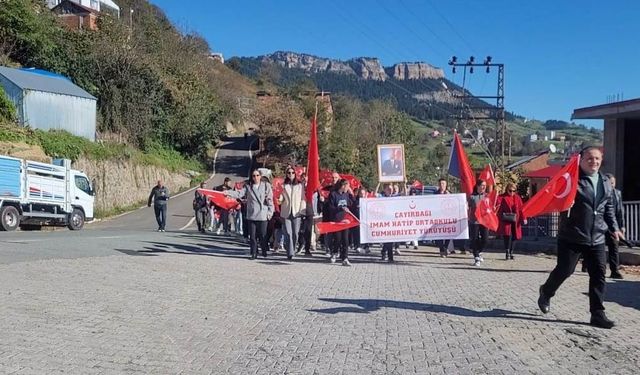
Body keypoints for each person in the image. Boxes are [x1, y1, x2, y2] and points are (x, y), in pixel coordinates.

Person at [538, 146, 623, 329]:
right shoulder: (571, 180)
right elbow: (557, 199)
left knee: (599, 274)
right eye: (590, 158)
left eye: (597, 158)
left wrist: (614, 228)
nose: (594, 162)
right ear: (581, 160)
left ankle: (597, 313)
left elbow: (607, 208)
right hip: (572, 236)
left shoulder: (606, 181)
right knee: (565, 271)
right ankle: (546, 291)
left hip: (597, 237)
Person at [225, 170, 274, 259]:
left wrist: (270, 212)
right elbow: (239, 193)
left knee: (263, 235)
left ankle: (263, 249)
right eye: (253, 175)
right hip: (252, 214)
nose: (255, 177)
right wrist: (228, 192)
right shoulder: (248, 186)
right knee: (252, 236)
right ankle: (254, 253)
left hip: (263, 214)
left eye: (257, 175)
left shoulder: (266, 186)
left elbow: (270, 199)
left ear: (260, 176)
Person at [280, 167, 306, 260]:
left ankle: (292, 249)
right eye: (289, 173)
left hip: (296, 212)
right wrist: (279, 200)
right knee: (288, 232)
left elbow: (303, 199)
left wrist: (302, 211)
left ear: (295, 174)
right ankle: (290, 252)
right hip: (286, 212)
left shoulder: (300, 185)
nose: (291, 174)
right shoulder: (283, 185)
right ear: (286, 174)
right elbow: (281, 197)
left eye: (292, 173)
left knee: (295, 233)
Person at [497, 182, 527, 260]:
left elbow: (521, 209)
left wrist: (524, 218)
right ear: (507, 189)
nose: (512, 192)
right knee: (507, 236)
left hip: (515, 220)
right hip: (506, 219)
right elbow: (497, 206)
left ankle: (511, 252)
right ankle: (507, 252)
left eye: (514, 191)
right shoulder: (502, 197)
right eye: (510, 190)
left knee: (515, 236)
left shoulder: (517, 198)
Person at [328, 179, 354, 266]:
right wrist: (340, 208)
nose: (348, 187)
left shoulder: (346, 195)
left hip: (345, 220)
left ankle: (345, 258)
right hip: (336, 220)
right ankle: (335, 253)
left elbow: (351, 204)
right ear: (342, 186)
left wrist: (351, 194)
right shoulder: (333, 194)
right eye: (347, 186)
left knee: (345, 240)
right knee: (337, 239)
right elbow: (330, 208)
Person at [605, 173, 624, 279]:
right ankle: (586, 264)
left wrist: (622, 226)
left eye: (613, 183)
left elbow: (620, 211)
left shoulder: (618, 193)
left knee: (614, 247)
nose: (612, 185)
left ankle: (614, 270)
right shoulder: (602, 192)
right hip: (602, 225)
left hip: (613, 225)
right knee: (594, 247)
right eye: (610, 183)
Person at [468, 180, 488, 266]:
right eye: (482, 185)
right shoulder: (472, 197)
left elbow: (490, 207)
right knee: (474, 239)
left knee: (485, 240)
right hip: (474, 221)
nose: (484, 187)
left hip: (484, 221)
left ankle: (479, 251)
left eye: (485, 185)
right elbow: (467, 207)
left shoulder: (487, 196)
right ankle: (476, 257)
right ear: (478, 186)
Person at [435, 178, 452, 257]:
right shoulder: (435, 194)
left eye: (443, 184)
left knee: (448, 234)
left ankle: (445, 247)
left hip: (447, 217)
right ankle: (441, 249)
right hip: (438, 218)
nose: (442, 185)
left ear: (446, 185)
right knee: (438, 235)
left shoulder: (449, 194)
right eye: (440, 184)